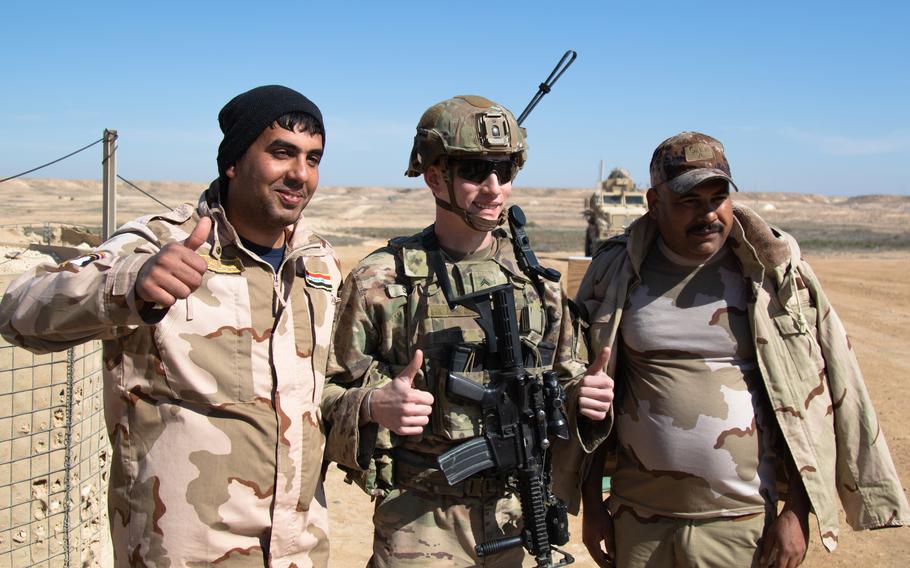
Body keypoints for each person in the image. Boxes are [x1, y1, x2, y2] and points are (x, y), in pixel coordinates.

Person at [0, 85, 342, 566]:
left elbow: (323, 393)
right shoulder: (162, 243)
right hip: (184, 550)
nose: (299, 174)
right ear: (234, 162)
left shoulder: (318, 263)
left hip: (298, 549)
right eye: (281, 153)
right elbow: (19, 311)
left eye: (313, 158)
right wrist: (129, 283)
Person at [569, 131, 909, 567]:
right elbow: (591, 395)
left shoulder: (775, 277)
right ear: (654, 204)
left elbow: (818, 397)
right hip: (639, 522)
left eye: (718, 197)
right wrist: (592, 503)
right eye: (689, 201)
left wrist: (799, 511)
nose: (708, 213)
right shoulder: (615, 273)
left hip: (746, 526)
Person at [321, 95, 614, 567]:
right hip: (418, 519)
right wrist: (374, 404)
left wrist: (584, 397)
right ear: (435, 176)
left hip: (514, 515)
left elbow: (563, 383)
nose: (494, 188)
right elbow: (321, 397)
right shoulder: (382, 281)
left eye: (504, 170)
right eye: (476, 172)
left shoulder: (538, 287)